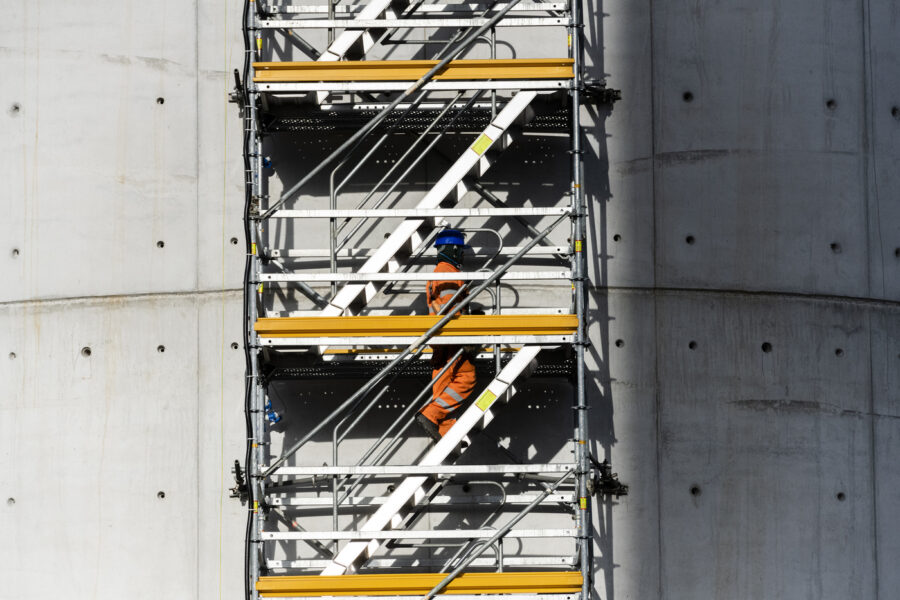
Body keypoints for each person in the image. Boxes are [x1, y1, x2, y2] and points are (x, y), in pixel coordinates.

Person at [415, 229, 477, 440]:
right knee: (466, 377)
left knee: (443, 384)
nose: (462, 255)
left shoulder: (440, 271)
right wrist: (465, 335)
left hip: (442, 336)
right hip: (450, 335)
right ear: (453, 249)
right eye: (461, 251)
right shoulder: (448, 272)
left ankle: (442, 426)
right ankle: (431, 414)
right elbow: (450, 308)